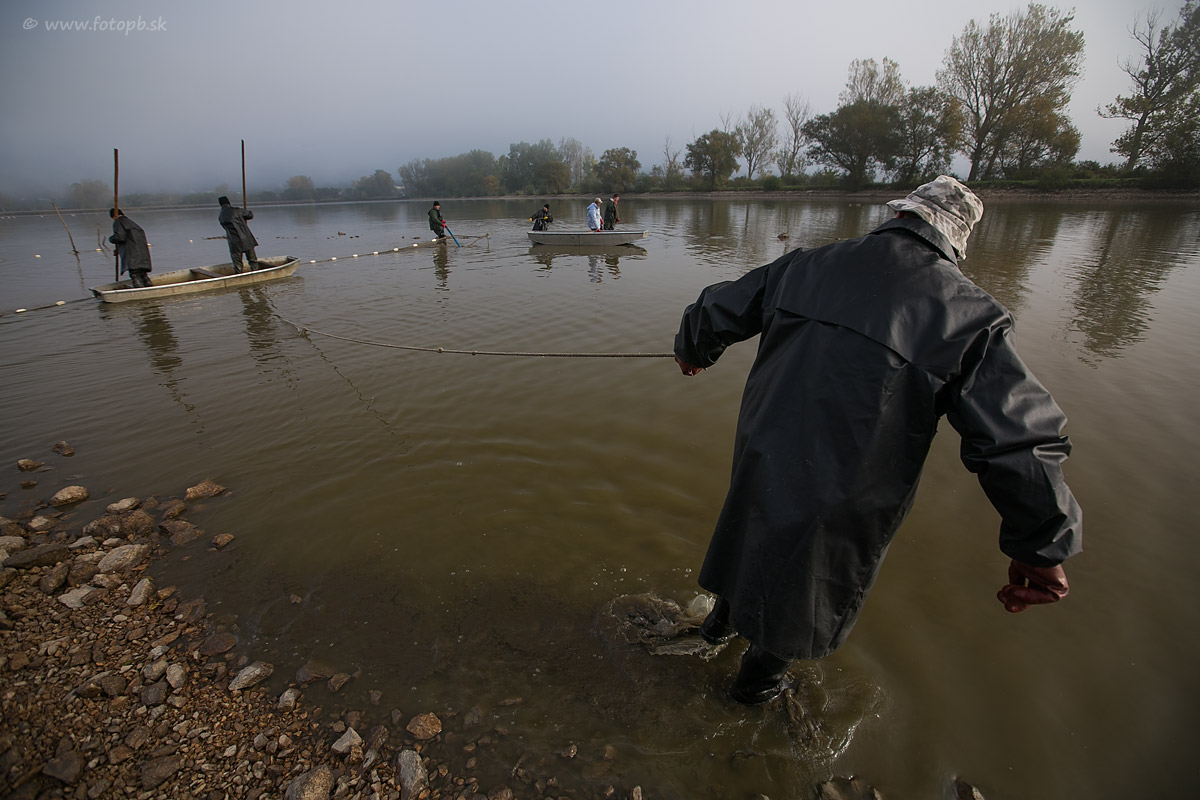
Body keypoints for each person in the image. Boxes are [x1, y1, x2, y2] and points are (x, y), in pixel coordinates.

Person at [673, 175, 1082, 705]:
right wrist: (1041, 547)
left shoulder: (805, 265)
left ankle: (712, 634)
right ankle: (753, 692)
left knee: (753, 538)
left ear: (899, 214)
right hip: (847, 491)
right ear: (956, 239)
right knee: (804, 587)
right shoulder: (969, 315)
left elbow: (716, 308)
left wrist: (694, 350)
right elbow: (1019, 438)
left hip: (763, 456)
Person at [108, 208, 153, 288]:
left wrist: (111, 239)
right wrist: (117, 249)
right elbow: (129, 238)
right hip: (142, 252)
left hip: (132, 253)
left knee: (135, 273)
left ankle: (139, 289)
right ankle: (148, 285)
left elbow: (120, 237)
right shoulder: (132, 223)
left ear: (113, 216)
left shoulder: (118, 222)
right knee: (143, 274)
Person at [218, 196, 259, 273]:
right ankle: (255, 273)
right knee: (252, 260)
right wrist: (245, 212)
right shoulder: (237, 211)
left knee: (237, 264)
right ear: (229, 202)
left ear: (220, 204)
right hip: (246, 239)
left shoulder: (221, 216)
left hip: (233, 242)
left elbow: (225, 228)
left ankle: (239, 275)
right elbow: (250, 215)